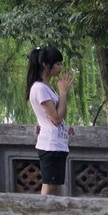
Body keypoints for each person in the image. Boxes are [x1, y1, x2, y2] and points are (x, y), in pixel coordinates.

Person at [27, 45, 73, 197]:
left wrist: (61, 94)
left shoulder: (48, 87)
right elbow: (57, 118)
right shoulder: (40, 88)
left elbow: (61, 114)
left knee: (55, 187)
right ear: (46, 65)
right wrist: (63, 92)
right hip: (50, 145)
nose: (61, 67)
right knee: (49, 187)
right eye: (58, 63)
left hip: (58, 144)